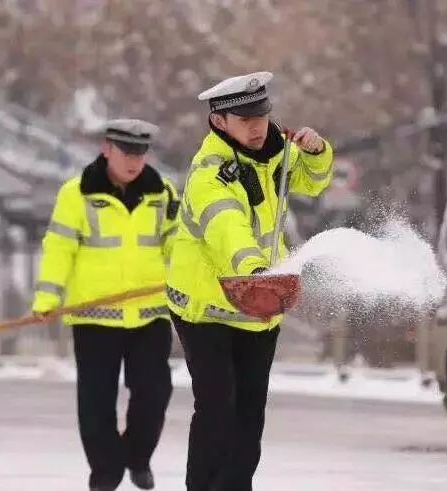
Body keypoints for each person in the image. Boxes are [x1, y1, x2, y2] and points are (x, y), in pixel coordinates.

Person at [166, 72, 335, 491]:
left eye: (261, 115)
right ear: (220, 122)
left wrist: (316, 153)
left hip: (258, 304)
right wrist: (256, 271)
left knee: (249, 411)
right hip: (206, 306)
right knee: (217, 405)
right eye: (245, 119)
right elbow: (228, 228)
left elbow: (313, 183)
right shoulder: (209, 174)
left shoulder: (276, 151)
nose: (257, 126)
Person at [32, 119, 179, 491]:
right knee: (96, 402)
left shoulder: (163, 193)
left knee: (154, 392)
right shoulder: (76, 194)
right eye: (126, 153)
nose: (134, 161)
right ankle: (106, 472)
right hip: (94, 316)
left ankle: (138, 455)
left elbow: (179, 247)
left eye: (140, 154)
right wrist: (47, 298)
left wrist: (185, 284)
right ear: (106, 149)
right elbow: (59, 248)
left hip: (150, 314)